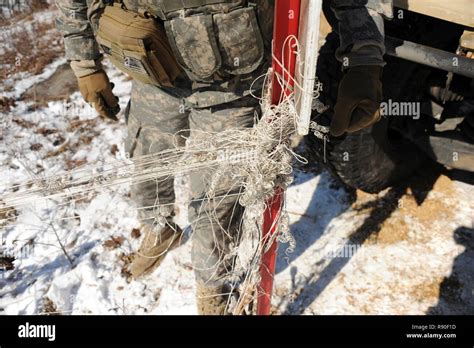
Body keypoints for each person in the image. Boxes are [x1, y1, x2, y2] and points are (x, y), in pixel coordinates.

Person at [55, 0, 392, 314]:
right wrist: (84, 63)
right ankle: (159, 228)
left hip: (233, 89)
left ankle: (213, 285)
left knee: (217, 199)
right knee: (146, 164)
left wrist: (364, 60)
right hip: (151, 72)